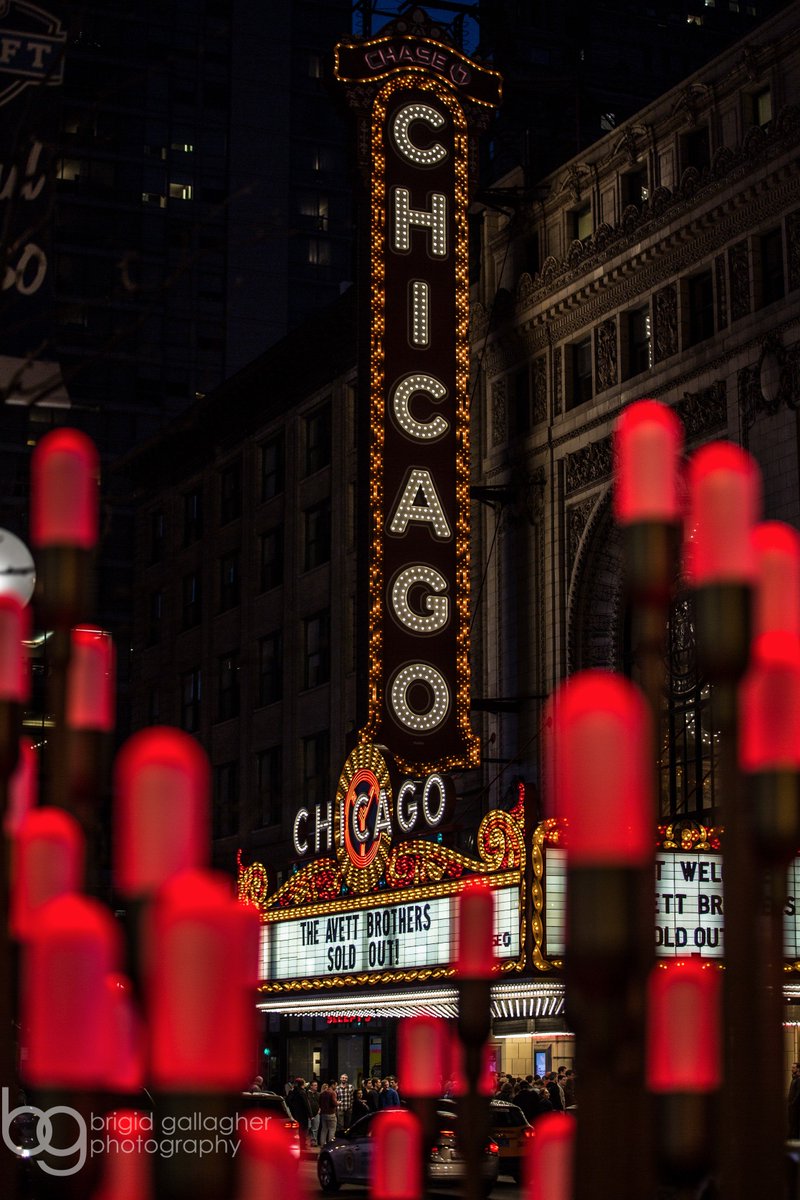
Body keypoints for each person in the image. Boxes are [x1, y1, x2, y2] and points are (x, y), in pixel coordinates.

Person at [318, 1082, 338, 1147]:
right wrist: (338, 1103)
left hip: (323, 1114)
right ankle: (330, 1145)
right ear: (332, 1085)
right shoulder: (332, 1093)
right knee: (332, 1130)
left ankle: (322, 1145)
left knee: (324, 1129)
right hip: (331, 1114)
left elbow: (320, 1103)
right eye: (335, 1085)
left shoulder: (322, 1093)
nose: (336, 1087)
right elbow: (334, 1103)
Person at [307, 1079, 321, 1146]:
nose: (316, 1087)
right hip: (308, 1114)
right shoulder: (307, 1093)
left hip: (316, 1113)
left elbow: (320, 1103)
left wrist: (319, 1109)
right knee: (308, 1128)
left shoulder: (318, 1094)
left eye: (317, 1085)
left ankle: (314, 1142)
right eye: (315, 1085)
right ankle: (306, 1142)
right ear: (311, 1086)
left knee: (315, 1129)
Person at [788, 1062, 800, 1138]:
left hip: (796, 1107)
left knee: (795, 1124)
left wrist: (792, 1103)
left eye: (794, 1067)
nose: (792, 1069)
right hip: (792, 1106)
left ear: (798, 1069)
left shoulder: (798, 1079)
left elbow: (798, 1093)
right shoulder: (794, 1078)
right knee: (791, 1123)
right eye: (792, 1067)